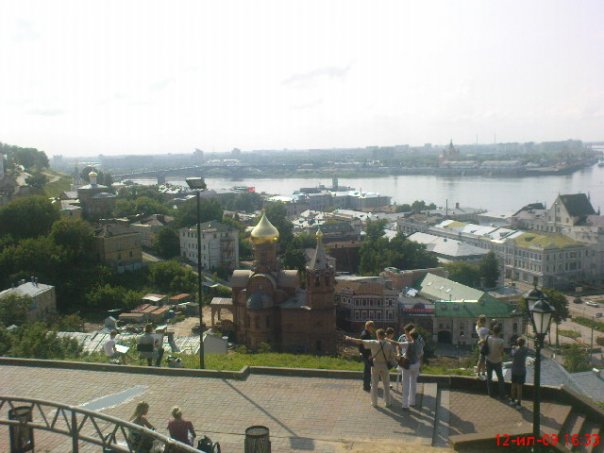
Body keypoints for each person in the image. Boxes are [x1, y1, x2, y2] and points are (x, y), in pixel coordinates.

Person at [345, 328, 395, 408]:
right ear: (384, 335)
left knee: (374, 384)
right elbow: (392, 357)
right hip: (385, 366)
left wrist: (350, 338)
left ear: (378, 335)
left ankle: (374, 403)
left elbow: (360, 341)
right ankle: (387, 403)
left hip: (375, 365)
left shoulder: (373, 343)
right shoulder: (389, 345)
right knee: (386, 384)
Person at [397, 329, 421, 410]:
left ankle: (405, 404)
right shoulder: (419, 344)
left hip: (408, 365)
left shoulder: (408, 344)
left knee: (405, 384)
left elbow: (397, 344)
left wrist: (387, 339)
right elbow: (420, 354)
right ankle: (412, 402)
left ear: (411, 336)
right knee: (413, 383)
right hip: (416, 364)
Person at [485, 323, 506, 400]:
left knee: (489, 377)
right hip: (497, 361)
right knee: (500, 378)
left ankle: (491, 393)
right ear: (499, 332)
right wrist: (502, 360)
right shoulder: (501, 341)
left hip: (488, 359)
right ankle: (502, 395)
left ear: (493, 331)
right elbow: (502, 352)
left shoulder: (488, 338)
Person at [509, 337, 528, 409]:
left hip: (514, 370)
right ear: (524, 343)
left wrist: (513, 348)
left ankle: (512, 400)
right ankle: (519, 403)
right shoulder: (525, 350)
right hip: (522, 370)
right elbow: (526, 349)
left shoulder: (515, 350)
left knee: (513, 386)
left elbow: (511, 355)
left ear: (517, 343)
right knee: (520, 388)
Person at [359, 321, 375, 392]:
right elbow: (363, 346)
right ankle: (366, 386)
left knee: (367, 370)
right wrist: (369, 355)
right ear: (368, 327)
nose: (373, 328)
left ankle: (367, 385)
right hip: (367, 355)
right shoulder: (365, 335)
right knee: (367, 371)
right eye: (372, 327)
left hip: (366, 354)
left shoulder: (366, 333)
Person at [475, 315, 489, 380]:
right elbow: (491, 333)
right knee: (481, 359)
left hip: (481, 344)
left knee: (482, 359)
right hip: (484, 345)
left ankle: (482, 372)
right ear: (484, 321)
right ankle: (478, 372)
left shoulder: (477, 327)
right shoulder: (484, 329)